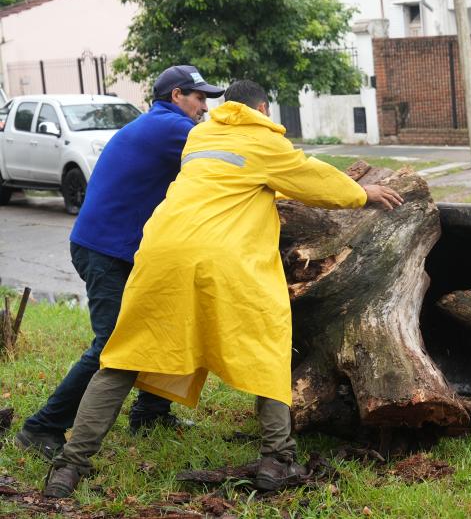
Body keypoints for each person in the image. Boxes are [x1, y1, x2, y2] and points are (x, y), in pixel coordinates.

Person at [42, 80, 404, 498]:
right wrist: (363, 192)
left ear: (225, 106)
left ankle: (69, 467)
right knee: (268, 348)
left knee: (123, 357)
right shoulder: (264, 141)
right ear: (263, 109)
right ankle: (278, 459)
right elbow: (310, 177)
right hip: (224, 262)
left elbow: (237, 177)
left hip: (161, 253)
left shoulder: (201, 134)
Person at [16, 66, 225, 459]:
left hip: (122, 249)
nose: (205, 107)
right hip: (105, 252)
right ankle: (41, 427)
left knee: (162, 325)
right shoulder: (170, 128)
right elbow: (229, 155)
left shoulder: (159, 125)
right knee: (112, 345)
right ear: (176, 95)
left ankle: (150, 412)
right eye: (200, 98)